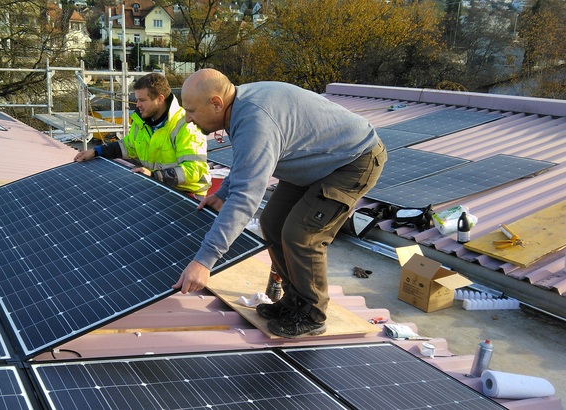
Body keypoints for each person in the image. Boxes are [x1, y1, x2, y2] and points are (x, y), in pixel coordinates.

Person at [174, 69, 387, 338]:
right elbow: (245, 167)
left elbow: (246, 196)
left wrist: (204, 261)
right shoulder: (237, 104)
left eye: (191, 110)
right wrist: (223, 192)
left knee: (301, 234)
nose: (187, 118)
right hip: (312, 162)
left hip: (352, 160)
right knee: (272, 223)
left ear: (216, 103)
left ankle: (312, 314)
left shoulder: (255, 121)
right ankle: (293, 301)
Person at [74, 73, 211, 198]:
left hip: (188, 195)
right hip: (159, 187)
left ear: (160, 99)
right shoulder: (142, 122)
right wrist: (95, 151)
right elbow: (127, 146)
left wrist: (154, 175)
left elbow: (194, 169)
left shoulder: (186, 125)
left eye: (142, 100)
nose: (137, 104)